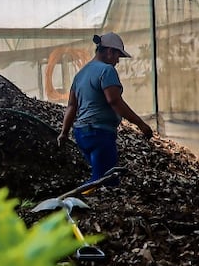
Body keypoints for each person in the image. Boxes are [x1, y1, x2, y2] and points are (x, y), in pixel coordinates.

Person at [58, 32, 154, 184]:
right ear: (109, 51)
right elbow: (114, 101)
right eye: (118, 56)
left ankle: (88, 198)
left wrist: (64, 133)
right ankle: (80, 201)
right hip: (99, 133)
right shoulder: (106, 70)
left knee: (101, 175)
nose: (117, 61)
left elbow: (71, 106)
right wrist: (141, 124)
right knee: (105, 181)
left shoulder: (80, 74)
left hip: (82, 134)